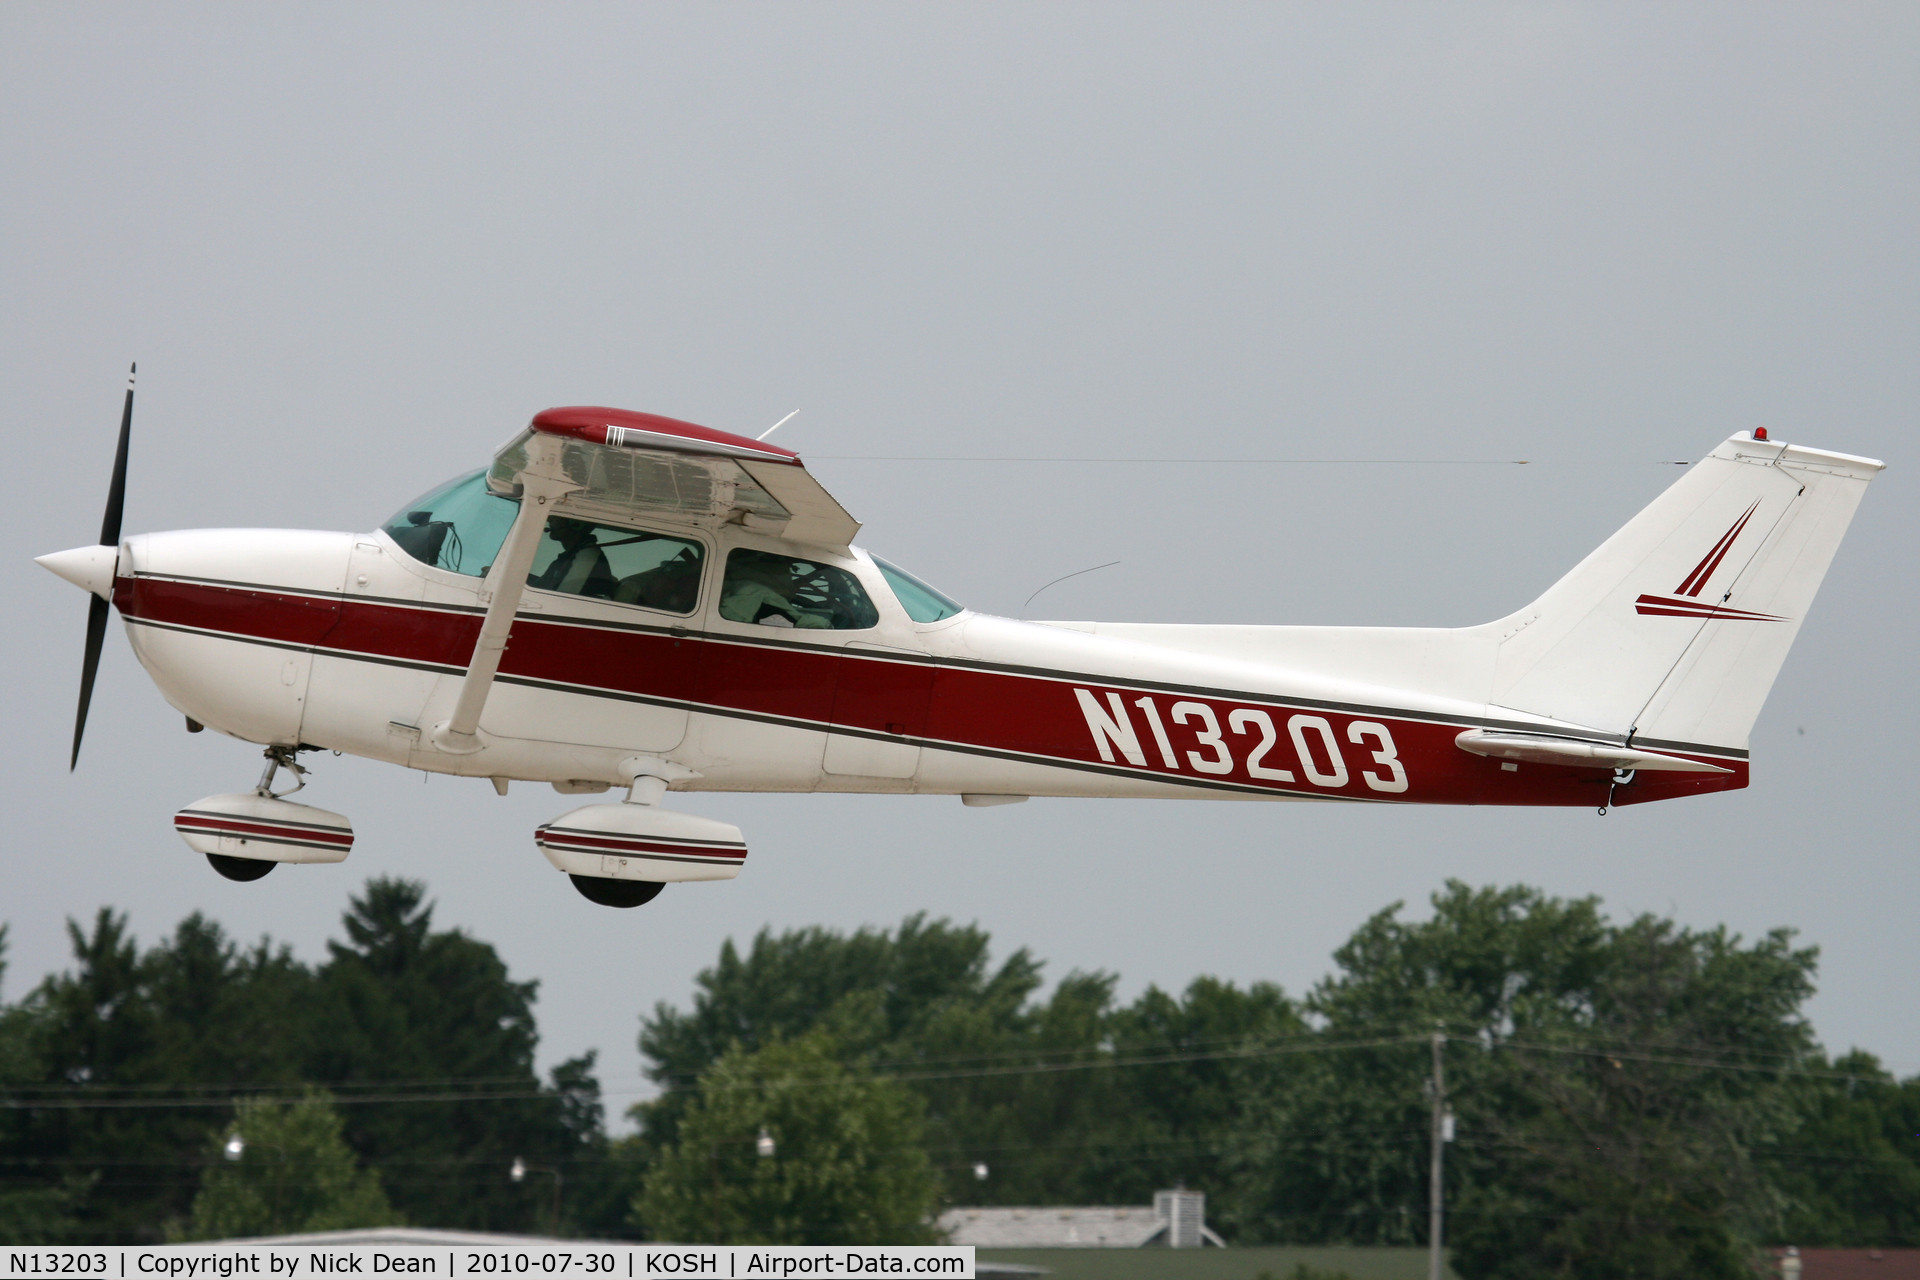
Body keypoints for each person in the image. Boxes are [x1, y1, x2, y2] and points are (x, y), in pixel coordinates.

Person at [530, 518, 617, 598]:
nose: (550, 519)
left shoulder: (587, 556)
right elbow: (538, 586)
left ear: (577, 523)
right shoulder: (568, 557)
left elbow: (562, 598)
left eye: (558, 516)